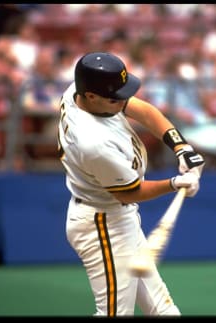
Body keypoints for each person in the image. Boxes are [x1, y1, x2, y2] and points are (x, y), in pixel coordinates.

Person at [57, 52, 205, 316]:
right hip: (102, 224)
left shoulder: (80, 92)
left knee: (164, 310)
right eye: (116, 97)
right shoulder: (93, 144)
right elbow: (130, 193)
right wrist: (174, 184)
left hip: (114, 216)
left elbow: (143, 110)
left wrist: (180, 146)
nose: (123, 101)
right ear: (91, 96)